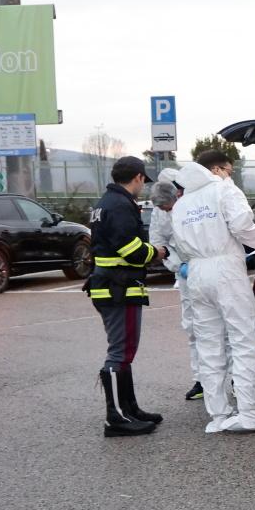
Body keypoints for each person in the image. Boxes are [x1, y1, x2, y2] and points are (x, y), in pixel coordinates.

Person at [171, 148, 255, 433]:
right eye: (229, 171)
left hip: (196, 272)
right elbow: (242, 224)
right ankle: (248, 412)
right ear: (217, 170)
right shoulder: (224, 191)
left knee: (209, 345)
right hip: (226, 271)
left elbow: (179, 242)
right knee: (243, 340)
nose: (231, 176)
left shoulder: (182, 203)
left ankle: (219, 414)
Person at [86, 156, 164, 437]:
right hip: (119, 288)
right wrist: (155, 253)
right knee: (120, 351)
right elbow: (130, 249)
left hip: (110, 286)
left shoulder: (106, 202)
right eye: (144, 181)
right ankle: (116, 417)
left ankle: (129, 409)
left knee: (124, 350)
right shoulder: (120, 205)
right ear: (139, 178)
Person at [148, 169, 204, 402]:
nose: (166, 210)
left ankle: (229, 376)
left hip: (206, 268)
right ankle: (201, 379)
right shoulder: (160, 212)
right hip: (185, 274)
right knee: (193, 327)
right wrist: (176, 265)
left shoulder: (196, 202)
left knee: (221, 325)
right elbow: (158, 242)